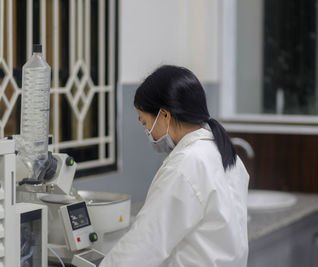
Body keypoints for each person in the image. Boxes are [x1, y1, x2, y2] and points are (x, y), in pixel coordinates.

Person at [99, 65, 249, 267]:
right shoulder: (224, 154)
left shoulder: (186, 165)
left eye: (145, 123)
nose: (149, 133)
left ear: (165, 115)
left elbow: (144, 245)